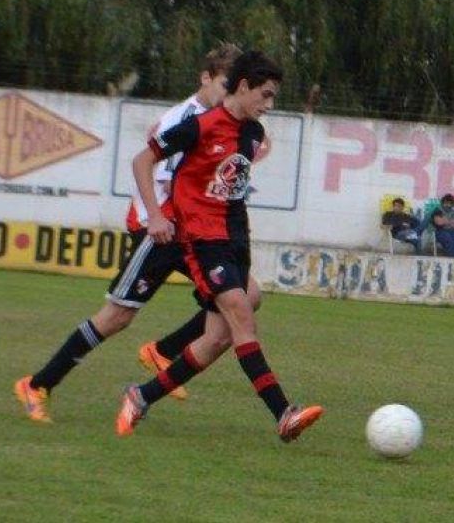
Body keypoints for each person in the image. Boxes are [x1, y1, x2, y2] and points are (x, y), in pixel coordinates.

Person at [13, 43, 257, 423]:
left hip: (192, 235)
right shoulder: (182, 120)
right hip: (159, 234)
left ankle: (163, 351)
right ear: (206, 78)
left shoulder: (225, 123)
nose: (231, 94)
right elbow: (150, 171)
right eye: (226, 84)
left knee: (247, 296)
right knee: (115, 318)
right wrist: (155, 220)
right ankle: (38, 384)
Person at [116, 50, 323, 442]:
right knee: (243, 318)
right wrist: (156, 216)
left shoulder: (253, 133)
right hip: (202, 241)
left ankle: (140, 396)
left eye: (273, 96)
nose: (269, 105)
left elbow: (228, 186)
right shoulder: (200, 126)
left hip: (236, 239)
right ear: (242, 86)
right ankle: (283, 413)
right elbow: (143, 160)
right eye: (265, 95)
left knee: (215, 340)